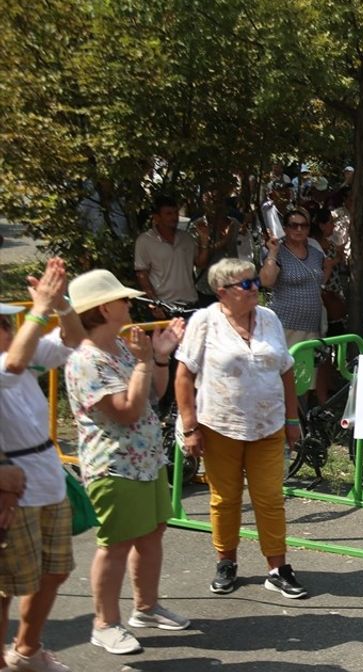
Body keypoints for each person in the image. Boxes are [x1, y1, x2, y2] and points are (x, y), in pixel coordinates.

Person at [64, 269, 189, 655]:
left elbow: (154, 394)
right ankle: (104, 624)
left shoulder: (119, 347)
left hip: (145, 461)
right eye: (122, 299)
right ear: (104, 308)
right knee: (115, 545)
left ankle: (146, 608)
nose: (129, 303)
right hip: (114, 466)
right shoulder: (86, 360)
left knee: (152, 534)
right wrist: (141, 362)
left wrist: (160, 358)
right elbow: (127, 411)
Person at [175, 258, 307, 600]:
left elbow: (286, 370)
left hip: (268, 424)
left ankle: (278, 568)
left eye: (254, 282)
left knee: (270, 498)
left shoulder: (269, 318)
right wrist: (190, 427)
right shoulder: (204, 321)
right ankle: (226, 561)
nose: (255, 289)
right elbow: (184, 374)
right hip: (219, 425)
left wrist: (292, 420)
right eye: (246, 284)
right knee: (225, 498)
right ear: (223, 293)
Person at [0, 259, 85, 672]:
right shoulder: (9, 363)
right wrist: (40, 308)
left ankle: (26, 651)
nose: (10, 329)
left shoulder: (23, 353)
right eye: (4, 324)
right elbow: (13, 364)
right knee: (4, 585)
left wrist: (62, 306)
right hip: (9, 484)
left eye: (10, 323)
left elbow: (73, 340)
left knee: (56, 569)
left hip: (46, 470)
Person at [261, 208, 332, 348]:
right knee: (287, 368)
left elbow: (320, 278)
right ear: (285, 228)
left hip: (313, 325)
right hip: (286, 324)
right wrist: (273, 252)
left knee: (310, 368)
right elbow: (266, 281)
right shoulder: (278, 252)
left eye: (304, 226)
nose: (299, 229)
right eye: (294, 225)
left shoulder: (315, 252)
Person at [134, 196, 206, 311]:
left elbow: (200, 263)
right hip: (165, 306)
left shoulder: (186, 238)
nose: (174, 217)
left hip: (190, 303)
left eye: (175, 213)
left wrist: (204, 240)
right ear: (157, 217)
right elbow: (142, 274)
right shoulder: (145, 241)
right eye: (168, 214)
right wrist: (154, 303)